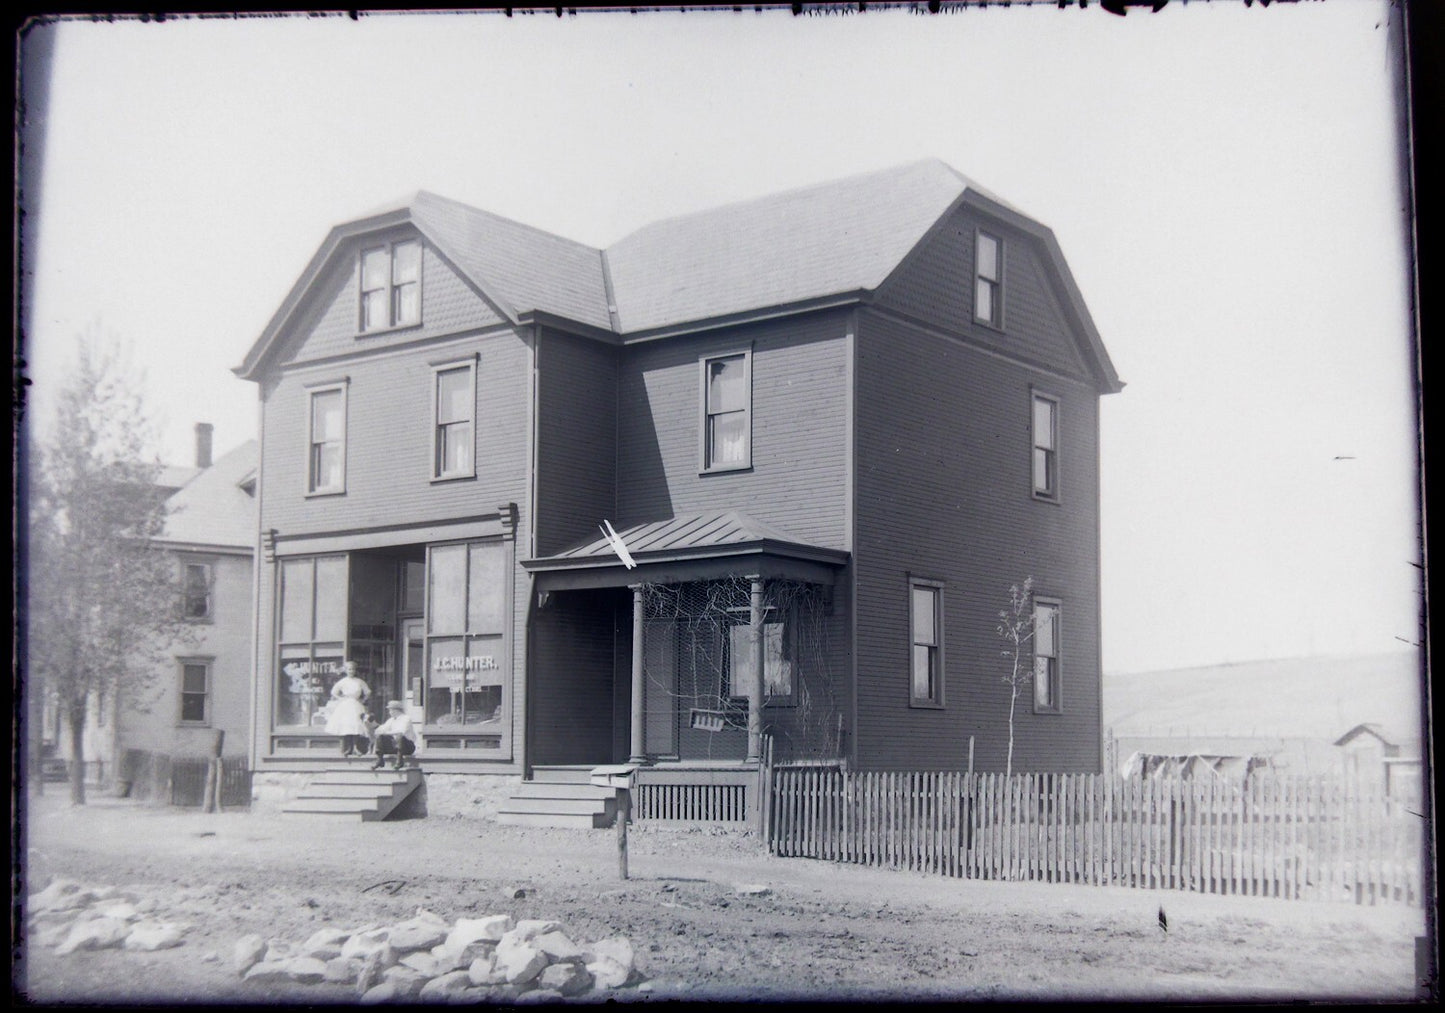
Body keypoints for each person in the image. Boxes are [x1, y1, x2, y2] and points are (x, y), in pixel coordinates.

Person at [323, 661, 371, 757]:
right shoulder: (343, 681)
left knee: (357, 725)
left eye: (353, 669)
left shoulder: (359, 681)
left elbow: (368, 692)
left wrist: (363, 700)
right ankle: (348, 748)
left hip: (356, 704)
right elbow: (333, 692)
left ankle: (356, 748)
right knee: (347, 725)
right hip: (345, 705)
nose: (351, 671)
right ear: (346, 670)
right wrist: (341, 698)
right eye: (349, 669)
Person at [371, 699, 418, 771]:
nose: (390, 712)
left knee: (400, 736)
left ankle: (400, 761)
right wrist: (375, 727)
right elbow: (382, 729)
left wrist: (386, 732)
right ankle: (380, 760)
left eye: (390, 710)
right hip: (396, 746)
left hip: (408, 746)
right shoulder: (391, 720)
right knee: (380, 737)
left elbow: (402, 731)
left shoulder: (406, 718)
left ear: (396, 710)